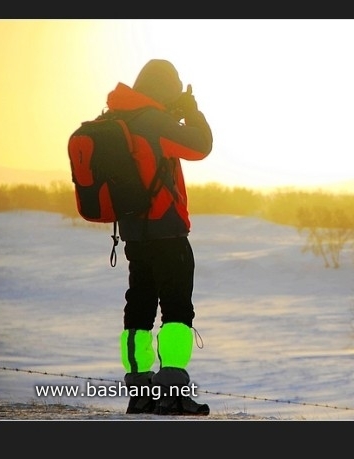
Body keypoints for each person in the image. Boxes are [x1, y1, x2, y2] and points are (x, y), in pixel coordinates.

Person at [104, 59, 213, 415]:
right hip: (167, 233)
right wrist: (192, 112)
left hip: (135, 235)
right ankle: (173, 393)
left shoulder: (116, 119)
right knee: (177, 313)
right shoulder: (154, 122)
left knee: (137, 312)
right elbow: (200, 146)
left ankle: (140, 392)